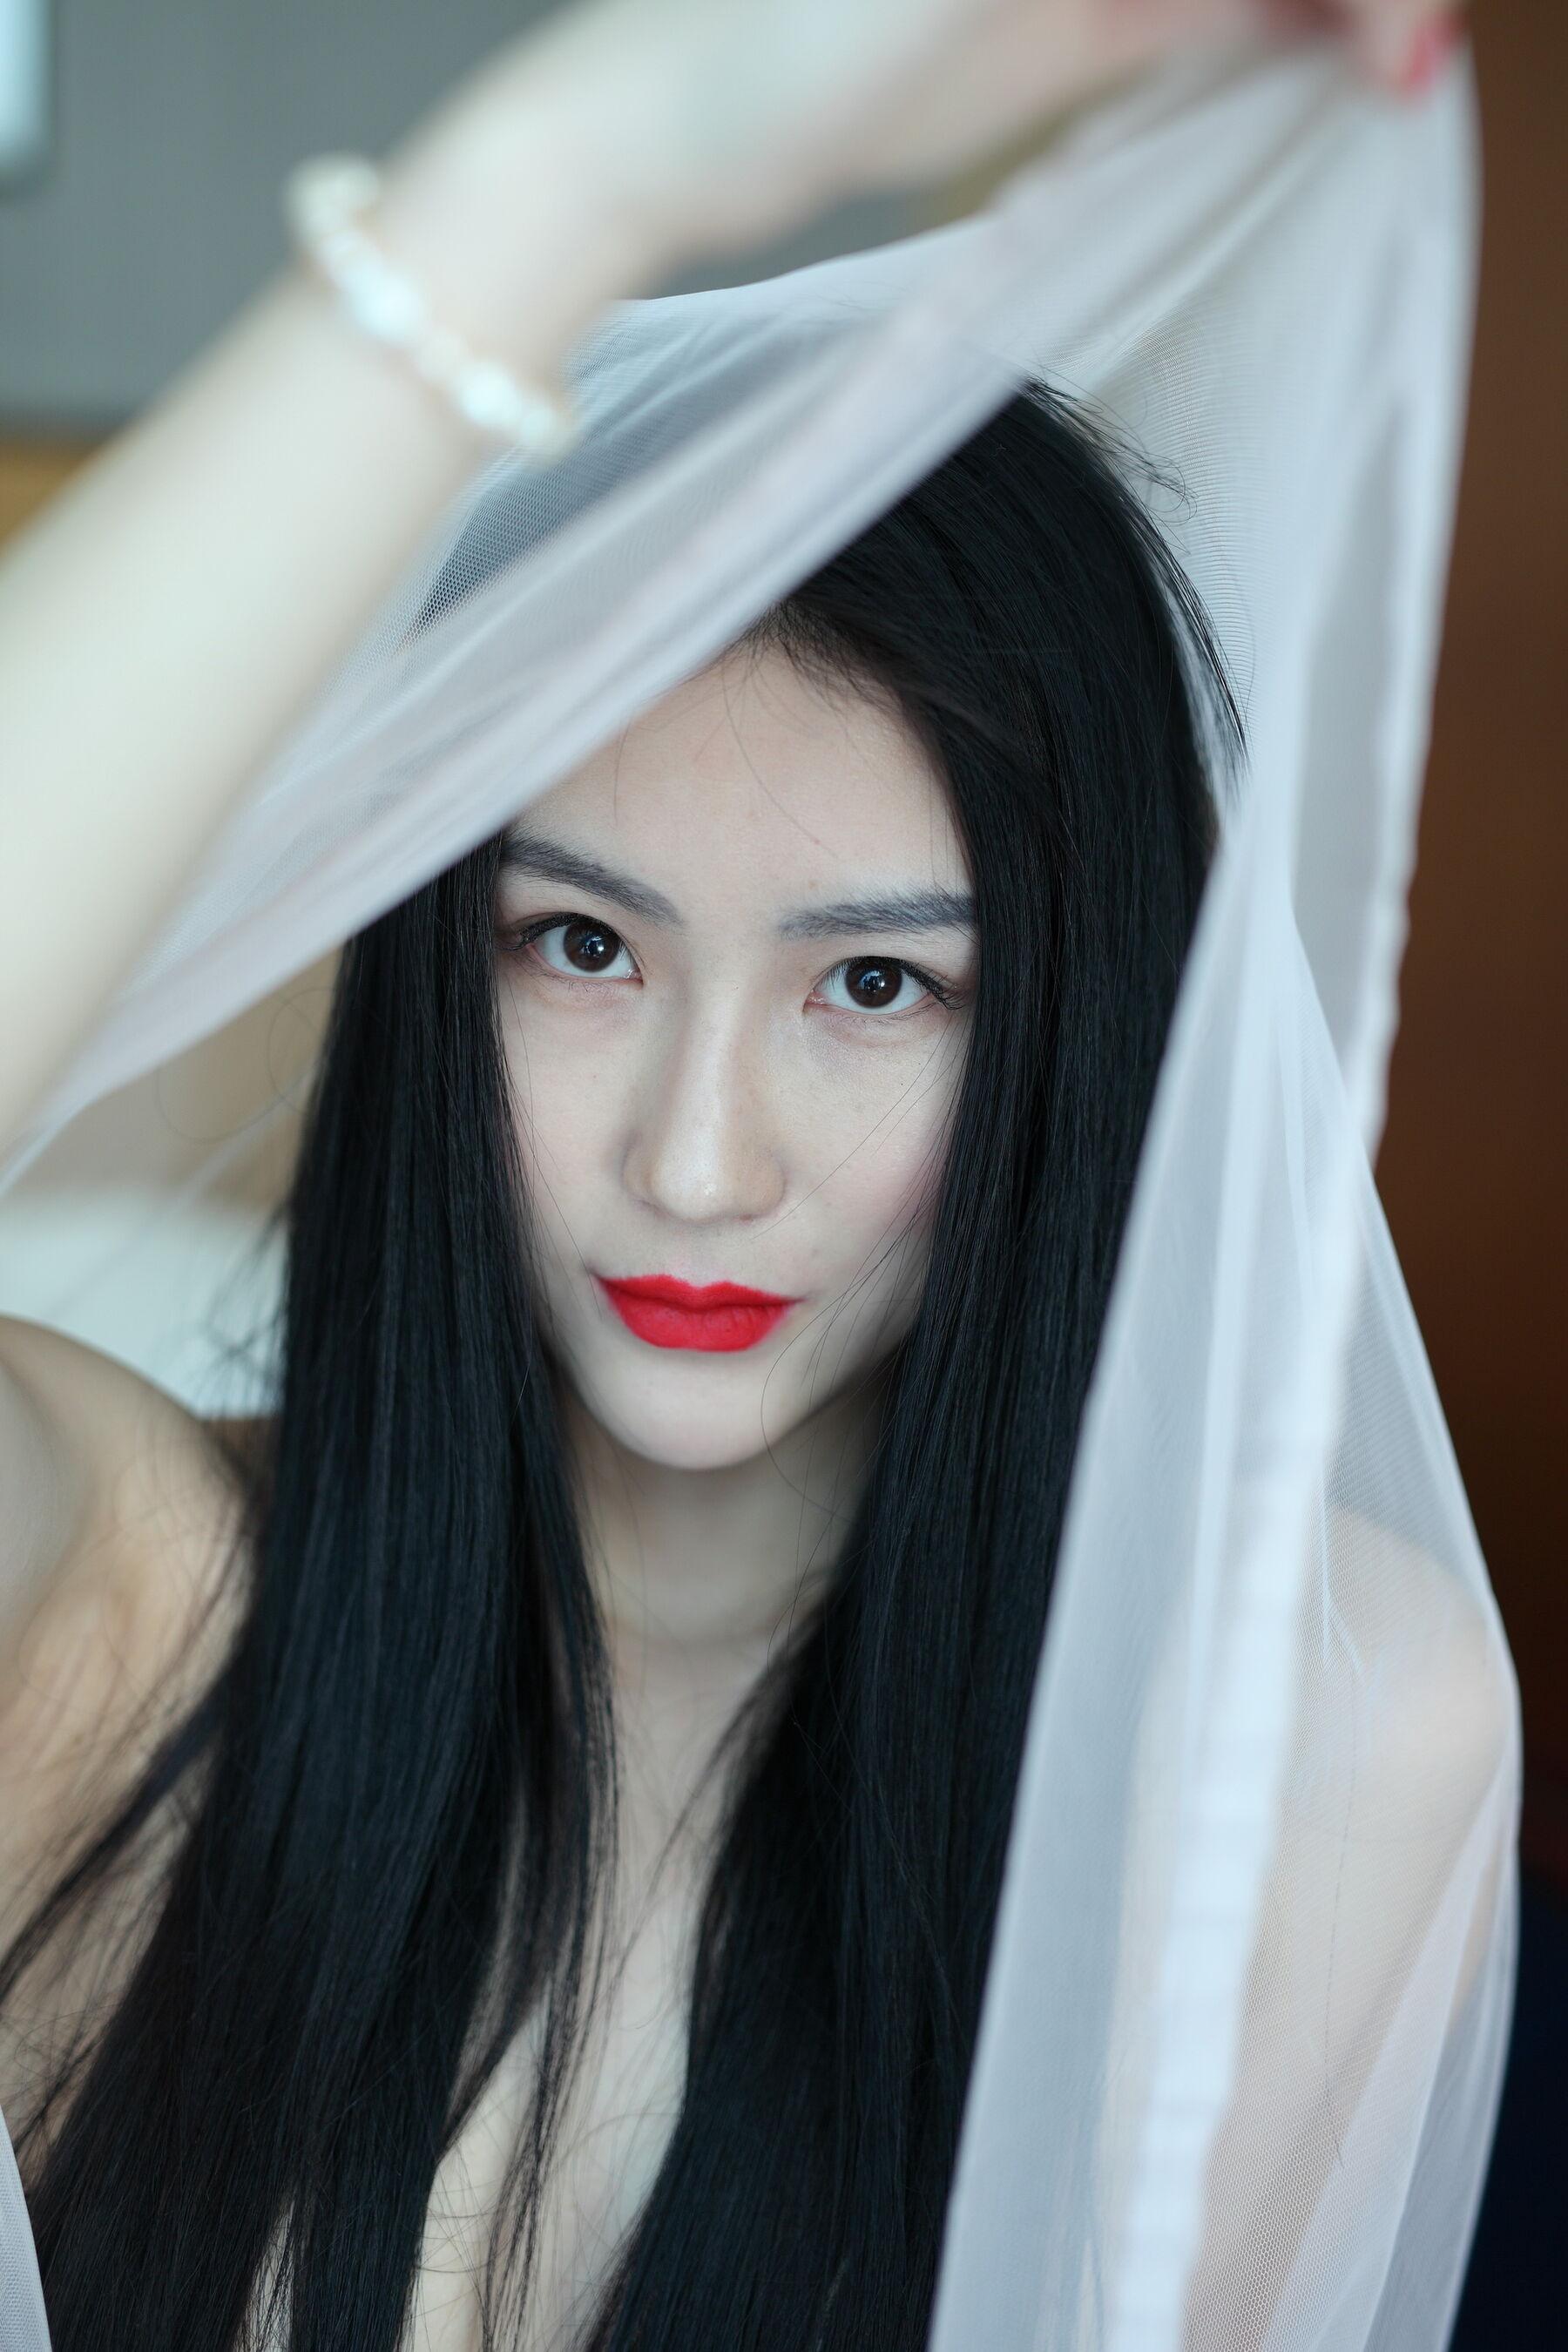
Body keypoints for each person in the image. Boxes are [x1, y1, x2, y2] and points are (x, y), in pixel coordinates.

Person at [0, 3, 1473, 2349]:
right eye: (581, 946)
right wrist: (576, 171)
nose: (696, 1161)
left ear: (1062, 1030)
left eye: (876, 985)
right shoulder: (113, 1605)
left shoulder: (1302, 1735)